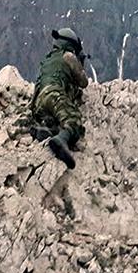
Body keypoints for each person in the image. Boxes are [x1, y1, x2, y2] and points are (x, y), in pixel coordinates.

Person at [31, 28, 89, 169]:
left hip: (39, 101)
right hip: (55, 94)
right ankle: (62, 140)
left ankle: (46, 129)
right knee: (73, 120)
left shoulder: (47, 60)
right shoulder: (68, 56)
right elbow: (83, 82)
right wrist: (80, 62)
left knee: (55, 119)